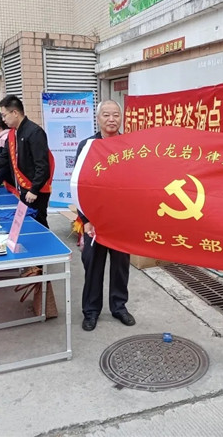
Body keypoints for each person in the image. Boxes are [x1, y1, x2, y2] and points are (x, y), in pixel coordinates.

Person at [75, 100, 134, 332]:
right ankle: (91, 311)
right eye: (106, 115)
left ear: (121, 118)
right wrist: (85, 219)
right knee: (93, 265)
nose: (111, 119)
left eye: (116, 115)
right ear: (98, 118)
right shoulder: (88, 146)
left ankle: (119, 307)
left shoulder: (130, 145)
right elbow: (78, 184)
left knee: (121, 266)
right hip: (94, 220)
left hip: (121, 220)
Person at [0, 95, 54, 228]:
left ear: (15, 113)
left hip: (35, 190)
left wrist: (34, 190)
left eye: (4, 115)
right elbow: (3, 158)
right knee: (27, 223)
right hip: (23, 188)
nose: (3, 119)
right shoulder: (13, 133)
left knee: (39, 222)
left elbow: (42, 166)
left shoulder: (34, 132)